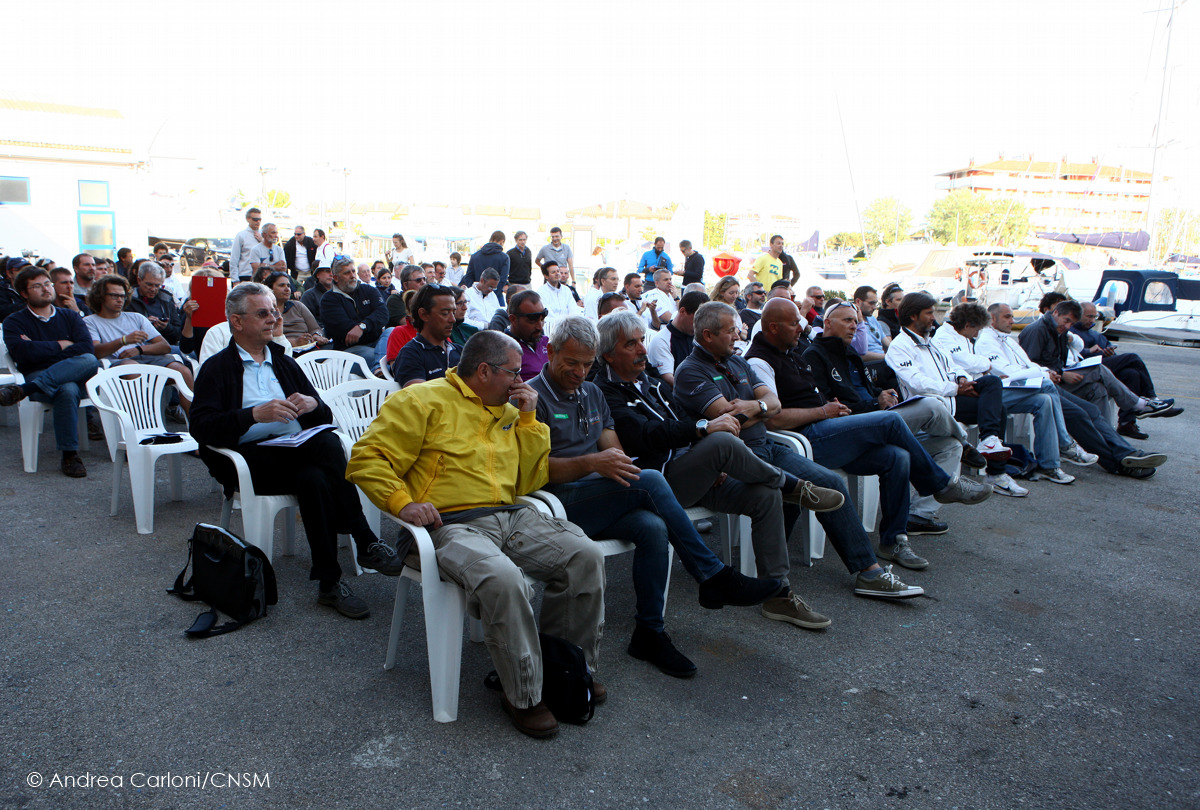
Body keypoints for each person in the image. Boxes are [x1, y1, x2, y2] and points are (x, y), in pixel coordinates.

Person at [346, 330, 606, 738]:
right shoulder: (421, 400)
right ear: (484, 371)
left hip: (509, 515)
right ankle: (523, 693)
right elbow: (367, 458)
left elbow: (529, 479)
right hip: (446, 525)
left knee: (584, 556)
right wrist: (402, 502)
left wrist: (528, 420)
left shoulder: (508, 409)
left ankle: (568, 669)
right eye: (514, 373)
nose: (522, 381)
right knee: (503, 579)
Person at [529, 316, 783, 678]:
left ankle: (649, 632)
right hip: (555, 503)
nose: (580, 372)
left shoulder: (592, 392)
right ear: (551, 351)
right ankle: (712, 575)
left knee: (652, 526)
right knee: (649, 479)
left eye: (586, 364)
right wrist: (592, 463)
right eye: (571, 362)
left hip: (595, 498)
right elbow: (531, 471)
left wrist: (616, 467)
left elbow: (614, 452)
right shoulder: (533, 398)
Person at [596, 311, 844, 630]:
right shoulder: (605, 392)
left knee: (764, 495)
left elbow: (685, 419)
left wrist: (706, 458)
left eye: (642, 341)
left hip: (692, 474)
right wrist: (702, 431)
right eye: (631, 344)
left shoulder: (650, 383)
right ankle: (792, 486)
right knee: (721, 441)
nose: (643, 350)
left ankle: (779, 595)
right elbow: (645, 435)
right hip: (657, 485)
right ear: (608, 354)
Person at [671, 302, 924, 599]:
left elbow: (775, 404)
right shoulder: (691, 371)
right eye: (730, 331)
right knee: (790, 489)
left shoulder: (738, 363)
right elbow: (730, 419)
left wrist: (757, 406)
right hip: (737, 458)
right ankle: (784, 577)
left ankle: (868, 572)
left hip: (768, 447)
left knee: (829, 482)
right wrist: (762, 408)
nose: (738, 336)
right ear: (708, 335)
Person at [191, 282, 399, 618]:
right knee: (327, 446)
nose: (273, 318)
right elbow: (200, 428)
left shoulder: (284, 362)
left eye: (274, 312)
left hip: (296, 452)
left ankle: (329, 583)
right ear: (237, 321)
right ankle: (364, 538)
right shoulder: (217, 368)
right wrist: (252, 415)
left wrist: (313, 404)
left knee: (315, 477)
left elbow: (323, 417)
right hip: (249, 460)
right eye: (263, 313)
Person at [749, 299, 991, 570]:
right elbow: (773, 419)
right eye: (795, 323)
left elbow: (823, 397)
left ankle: (894, 541)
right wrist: (825, 411)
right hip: (805, 440)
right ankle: (940, 485)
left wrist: (838, 407)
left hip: (830, 428)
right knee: (893, 420)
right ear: (773, 327)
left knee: (897, 456)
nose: (802, 328)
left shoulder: (792, 353)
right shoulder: (761, 361)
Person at [804, 300, 976, 537]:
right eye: (847, 320)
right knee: (931, 405)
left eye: (855, 321)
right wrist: (876, 403)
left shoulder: (850, 352)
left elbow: (867, 390)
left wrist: (884, 394)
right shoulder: (814, 355)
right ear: (827, 323)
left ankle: (919, 516)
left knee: (950, 446)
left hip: (879, 419)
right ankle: (957, 460)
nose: (854, 326)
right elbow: (832, 406)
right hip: (854, 427)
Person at [978, 303, 1165, 479]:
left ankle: (1124, 454)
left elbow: (1029, 363)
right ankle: (1117, 460)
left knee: (1091, 406)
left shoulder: (1009, 339)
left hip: (1039, 384)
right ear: (993, 319)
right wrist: (1048, 373)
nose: (1013, 321)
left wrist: (1049, 371)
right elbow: (1009, 371)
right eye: (1007, 317)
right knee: (1079, 413)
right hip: (1025, 388)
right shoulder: (993, 340)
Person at [886, 292, 1023, 496]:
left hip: (954, 398)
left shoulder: (933, 341)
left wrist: (962, 379)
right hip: (932, 406)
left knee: (993, 385)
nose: (933, 318)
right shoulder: (899, 347)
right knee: (997, 409)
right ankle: (983, 457)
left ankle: (990, 444)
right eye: (929, 313)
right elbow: (918, 383)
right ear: (913, 316)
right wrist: (955, 389)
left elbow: (953, 366)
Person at [933, 302, 1076, 485]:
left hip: (983, 386)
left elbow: (970, 366)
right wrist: (986, 366)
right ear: (968, 325)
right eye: (976, 330)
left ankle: (1049, 464)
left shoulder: (972, 337)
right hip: (963, 392)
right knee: (1042, 386)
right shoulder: (946, 338)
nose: (977, 334)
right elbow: (968, 363)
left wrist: (985, 370)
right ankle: (1064, 444)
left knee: (1043, 400)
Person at [0, 267, 100, 477]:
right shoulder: (14, 321)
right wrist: (60, 345)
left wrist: (38, 348)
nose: (46, 289)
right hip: (38, 373)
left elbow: (86, 349)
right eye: (37, 286)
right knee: (67, 388)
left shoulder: (70, 316)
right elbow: (22, 354)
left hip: (62, 375)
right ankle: (69, 455)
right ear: (24, 293)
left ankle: (25, 389)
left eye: (47, 284)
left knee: (90, 360)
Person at [1018, 299, 1173, 431]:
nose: (1068, 326)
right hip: (1046, 383)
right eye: (1066, 321)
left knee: (1099, 389)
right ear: (1056, 313)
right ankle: (1138, 405)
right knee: (1101, 368)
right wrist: (1063, 373)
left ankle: (1105, 436)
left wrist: (1064, 370)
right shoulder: (1037, 330)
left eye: (1072, 323)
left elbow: (1061, 358)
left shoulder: (1059, 330)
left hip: (1059, 377)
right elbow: (1030, 364)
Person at [1072, 301, 1180, 437]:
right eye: (1089, 317)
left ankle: (1126, 423)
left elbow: (1108, 348)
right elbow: (1070, 355)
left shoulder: (1095, 334)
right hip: (1086, 368)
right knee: (1133, 358)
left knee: (1131, 374)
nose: (1093, 320)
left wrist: (1109, 351)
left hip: (1103, 364)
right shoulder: (1071, 333)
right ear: (1079, 315)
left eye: (1094, 317)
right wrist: (1090, 351)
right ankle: (1151, 399)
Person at [320, 256, 388, 369]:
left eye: (353, 271)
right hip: (349, 351)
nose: (352, 276)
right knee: (381, 357)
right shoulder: (329, 299)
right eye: (347, 273)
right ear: (336, 278)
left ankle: (379, 368)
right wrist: (372, 326)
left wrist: (362, 327)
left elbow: (383, 314)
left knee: (392, 331)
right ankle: (379, 367)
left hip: (377, 342)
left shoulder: (368, 290)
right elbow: (345, 329)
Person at [391, 283, 460, 387]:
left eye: (453, 313)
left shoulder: (460, 351)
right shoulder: (410, 354)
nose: (453, 319)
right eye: (445, 313)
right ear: (423, 314)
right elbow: (418, 395)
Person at [647, 290, 707, 385]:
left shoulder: (701, 336)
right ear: (683, 311)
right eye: (698, 319)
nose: (702, 325)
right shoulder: (662, 341)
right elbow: (668, 379)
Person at [266, 272, 325, 350]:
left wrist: (316, 335)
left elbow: (315, 328)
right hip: (282, 351)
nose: (287, 289)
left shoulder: (297, 306)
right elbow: (266, 339)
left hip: (308, 348)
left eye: (288, 286)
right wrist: (295, 342)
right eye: (281, 285)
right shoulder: (265, 311)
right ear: (270, 289)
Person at [504, 290, 550, 380]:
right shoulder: (503, 350)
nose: (540, 327)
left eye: (542, 320)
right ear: (513, 319)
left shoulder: (547, 343)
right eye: (532, 321)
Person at [230, 208, 263, 281]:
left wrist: (262, 241)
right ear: (248, 219)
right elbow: (234, 259)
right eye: (255, 219)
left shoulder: (264, 234)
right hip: (245, 274)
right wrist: (235, 279)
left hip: (261, 275)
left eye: (259, 219)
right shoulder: (241, 236)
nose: (258, 222)